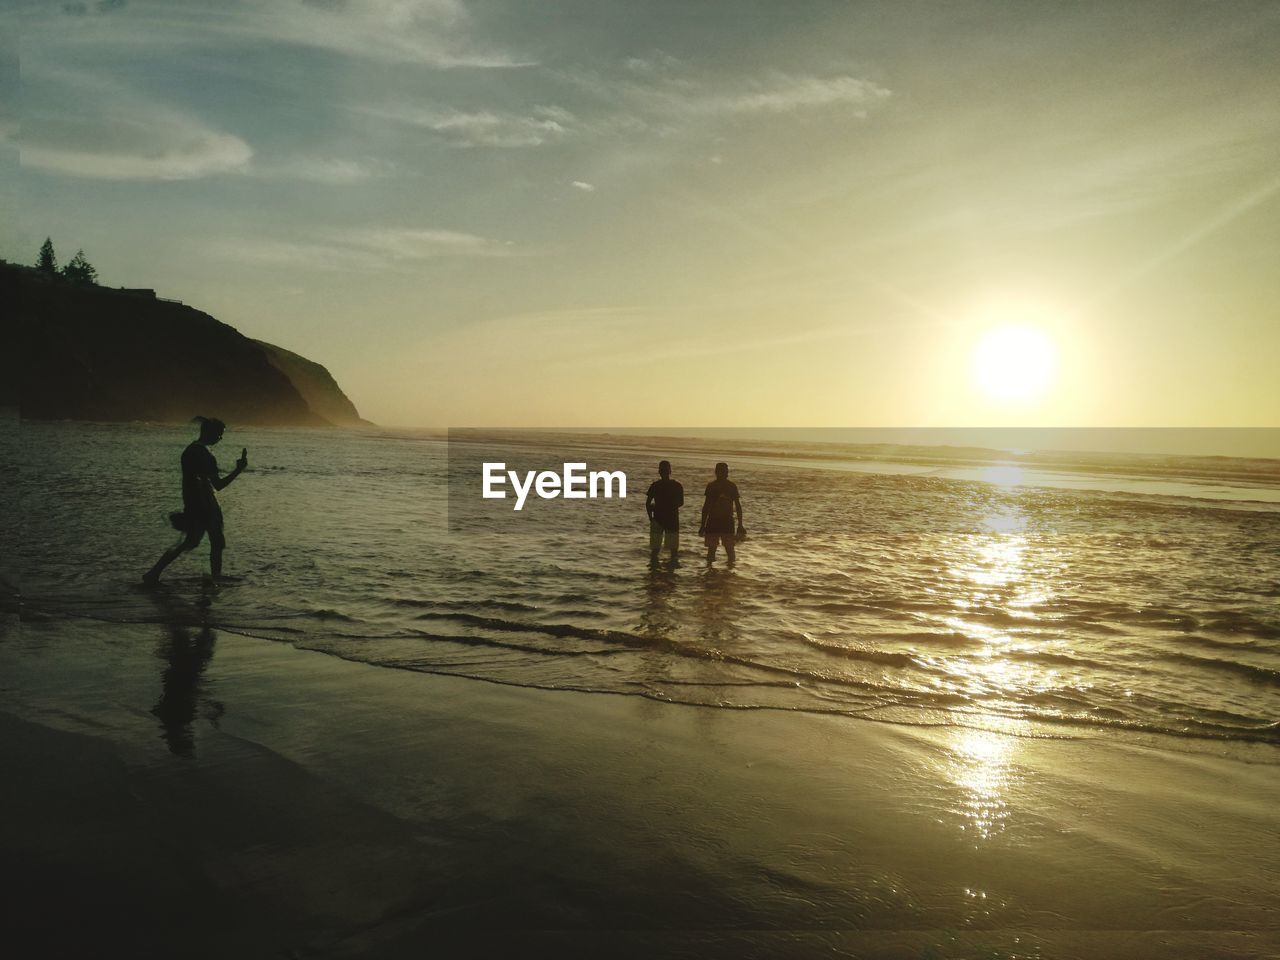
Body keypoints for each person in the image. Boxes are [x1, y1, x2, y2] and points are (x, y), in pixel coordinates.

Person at [143, 416, 248, 584]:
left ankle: (154, 573)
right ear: (210, 433)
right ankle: (215, 577)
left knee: (190, 541)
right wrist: (239, 470)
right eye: (220, 434)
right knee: (216, 541)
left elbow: (190, 481)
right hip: (206, 502)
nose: (220, 438)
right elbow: (218, 485)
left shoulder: (190, 450)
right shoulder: (205, 455)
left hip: (192, 501)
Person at [699, 462, 744, 566]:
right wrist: (702, 525)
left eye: (726, 471)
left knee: (728, 550)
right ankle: (719, 572)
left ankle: (715, 572)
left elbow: (738, 506)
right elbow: (706, 507)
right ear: (717, 472)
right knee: (714, 551)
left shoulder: (730, 486)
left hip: (724, 522)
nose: (725, 473)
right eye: (724, 471)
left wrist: (740, 524)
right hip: (716, 522)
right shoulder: (713, 486)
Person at [645, 460, 684, 567]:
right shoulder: (677, 485)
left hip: (658, 519)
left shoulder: (655, 485)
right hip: (672, 519)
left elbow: (648, 504)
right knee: (673, 551)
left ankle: (654, 572)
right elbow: (680, 503)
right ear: (670, 471)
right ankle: (670, 575)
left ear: (659, 472)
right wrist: (669, 507)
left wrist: (651, 517)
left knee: (655, 550)